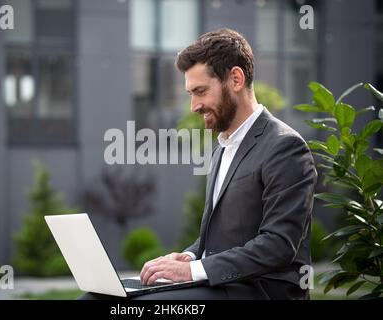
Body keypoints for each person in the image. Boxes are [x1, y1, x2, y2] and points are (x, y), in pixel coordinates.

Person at [82, 28, 317, 300]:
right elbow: (220, 240)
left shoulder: (285, 147)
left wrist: (193, 270)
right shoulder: (221, 150)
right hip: (220, 285)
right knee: (96, 297)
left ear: (236, 79)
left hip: (259, 291)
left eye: (201, 91)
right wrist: (190, 255)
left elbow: (278, 246)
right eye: (190, 94)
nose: (193, 106)